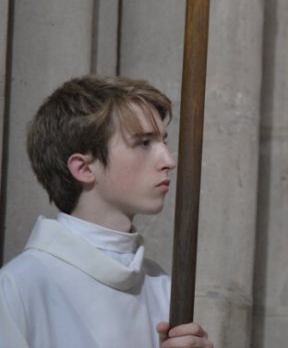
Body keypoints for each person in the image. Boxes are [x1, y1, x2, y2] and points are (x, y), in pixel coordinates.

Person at [0, 75, 213, 348]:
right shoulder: (18, 290)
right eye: (144, 143)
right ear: (84, 168)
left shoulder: (163, 288)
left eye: (163, 141)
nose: (169, 160)